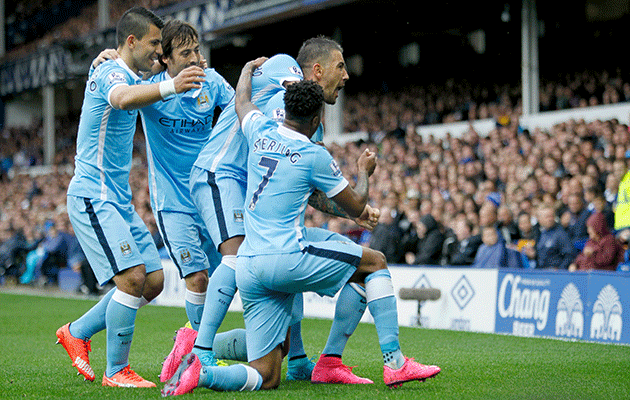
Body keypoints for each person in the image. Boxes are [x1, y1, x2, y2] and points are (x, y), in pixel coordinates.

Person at [162, 59, 440, 395]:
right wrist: (365, 171)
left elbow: (242, 101)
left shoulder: (258, 129)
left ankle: (201, 373)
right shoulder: (313, 155)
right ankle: (393, 364)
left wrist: (247, 69)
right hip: (287, 255)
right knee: (374, 263)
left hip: (250, 265)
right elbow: (355, 203)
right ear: (316, 119)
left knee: (266, 375)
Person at [169, 37, 373, 385]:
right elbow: (247, 101)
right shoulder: (283, 72)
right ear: (316, 71)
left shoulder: (309, 122)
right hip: (222, 172)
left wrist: (353, 212)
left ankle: (296, 359)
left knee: (284, 267)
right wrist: (247, 70)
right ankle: (199, 353)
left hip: (244, 185)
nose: (346, 76)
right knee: (235, 258)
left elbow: (312, 193)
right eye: (341, 66)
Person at [55, 7, 206, 388]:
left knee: (152, 281)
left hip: (118, 201)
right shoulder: (112, 73)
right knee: (132, 277)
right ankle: (116, 370)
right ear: (132, 41)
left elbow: (148, 79)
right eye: (155, 43)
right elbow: (121, 98)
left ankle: (76, 332)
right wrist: (172, 85)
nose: (159, 51)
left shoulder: (127, 70)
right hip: (94, 195)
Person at [533, 204, 576, 270]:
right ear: (539, 219)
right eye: (547, 217)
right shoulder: (541, 233)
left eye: (552, 216)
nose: (550, 219)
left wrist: (559, 270)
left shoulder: (560, 233)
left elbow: (570, 255)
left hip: (554, 274)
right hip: (541, 272)